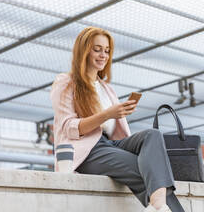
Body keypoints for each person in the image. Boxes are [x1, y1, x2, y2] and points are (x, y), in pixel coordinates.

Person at [50, 26, 185, 212]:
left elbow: (114, 131)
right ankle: (160, 207)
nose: (103, 55)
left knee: (152, 135)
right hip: (88, 151)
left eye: (106, 51)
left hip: (111, 145)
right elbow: (69, 128)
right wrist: (108, 114)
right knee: (150, 173)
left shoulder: (107, 88)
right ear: (83, 50)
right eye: (96, 49)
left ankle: (158, 206)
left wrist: (119, 112)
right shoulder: (66, 82)